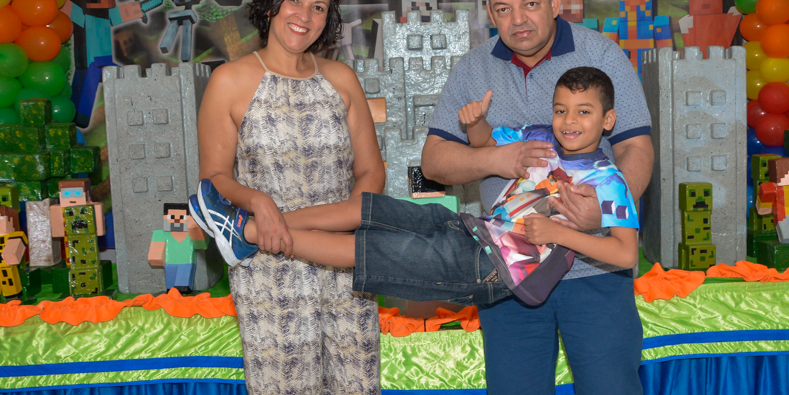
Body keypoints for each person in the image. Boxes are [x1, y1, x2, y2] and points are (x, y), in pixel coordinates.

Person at [421, 0, 667, 395]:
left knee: (614, 393)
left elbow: (637, 148)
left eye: (531, 3)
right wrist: (495, 159)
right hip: (508, 267)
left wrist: (605, 213)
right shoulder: (473, 69)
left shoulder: (602, 55)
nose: (519, 20)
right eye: (503, 9)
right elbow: (434, 162)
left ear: (556, 1)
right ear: (489, 13)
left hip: (594, 267)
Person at [195, 0, 390, 395]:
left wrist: (312, 221)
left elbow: (372, 174)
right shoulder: (230, 80)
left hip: (342, 259)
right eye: (295, 1)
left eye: (319, 6)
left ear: (329, 19)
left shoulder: (341, 80)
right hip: (269, 270)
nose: (305, 15)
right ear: (272, 3)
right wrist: (257, 200)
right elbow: (215, 178)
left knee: (356, 390)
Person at [192, 67, 639, 309]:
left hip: (494, 269)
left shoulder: (609, 181)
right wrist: (476, 124)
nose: (569, 121)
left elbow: (624, 254)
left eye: (583, 112)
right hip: (472, 230)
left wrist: (559, 234)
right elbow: (485, 144)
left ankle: (246, 234)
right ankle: (250, 221)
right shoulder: (540, 137)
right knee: (370, 209)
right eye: (562, 110)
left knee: (368, 249)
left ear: (608, 120)